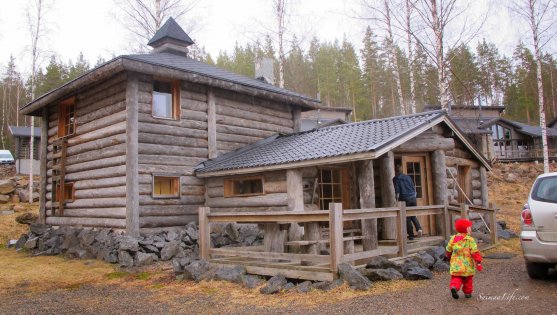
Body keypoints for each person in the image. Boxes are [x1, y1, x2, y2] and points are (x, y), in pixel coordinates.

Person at [445, 218, 483, 299]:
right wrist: (478, 262)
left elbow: (448, 249)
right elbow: (474, 252)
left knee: (456, 278)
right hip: (467, 265)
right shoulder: (470, 240)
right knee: (468, 279)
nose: (471, 229)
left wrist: (447, 256)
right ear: (466, 229)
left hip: (456, 264)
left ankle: (454, 287)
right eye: (469, 227)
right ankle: (468, 293)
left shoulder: (453, 238)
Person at [392, 164, 422, 240]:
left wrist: (396, 201)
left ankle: (411, 236)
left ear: (396, 171)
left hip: (405, 199)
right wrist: (414, 196)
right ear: (402, 170)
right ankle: (419, 228)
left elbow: (397, 191)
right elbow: (413, 187)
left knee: (407, 217)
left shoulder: (396, 179)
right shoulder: (408, 177)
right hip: (413, 198)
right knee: (413, 215)